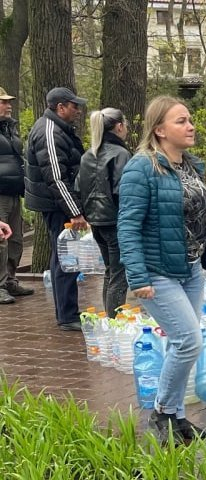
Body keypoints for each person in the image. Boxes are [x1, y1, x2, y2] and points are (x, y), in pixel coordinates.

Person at [117, 95, 206, 445]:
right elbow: (128, 225)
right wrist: (138, 278)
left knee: (182, 344)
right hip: (157, 271)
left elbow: (200, 217)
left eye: (190, 119)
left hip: (190, 269)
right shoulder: (142, 168)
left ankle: (178, 420)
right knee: (188, 341)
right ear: (159, 130)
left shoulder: (189, 166)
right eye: (181, 121)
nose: (190, 125)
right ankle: (163, 413)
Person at [25, 87, 87, 331]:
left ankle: (67, 311)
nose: (78, 111)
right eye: (74, 106)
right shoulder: (49, 132)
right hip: (58, 206)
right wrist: (75, 212)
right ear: (60, 107)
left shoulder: (57, 129)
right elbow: (56, 178)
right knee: (66, 258)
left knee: (63, 256)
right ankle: (67, 315)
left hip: (59, 204)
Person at [77, 108, 131, 318]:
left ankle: (111, 319)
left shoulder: (88, 155)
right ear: (119, 126)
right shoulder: (121, 154)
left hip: (97, 222)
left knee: (111, 272)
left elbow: (78, 187)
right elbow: (123, 191)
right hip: (115, 222)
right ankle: (115, 321)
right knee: (119, 275)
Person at [0, 86, 33, 304]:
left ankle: (11, 280)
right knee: (1, 241)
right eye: (3, 102)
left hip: (13, 192)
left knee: (16, 240)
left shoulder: (10, 129)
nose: (9, 105)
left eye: (9, 101)